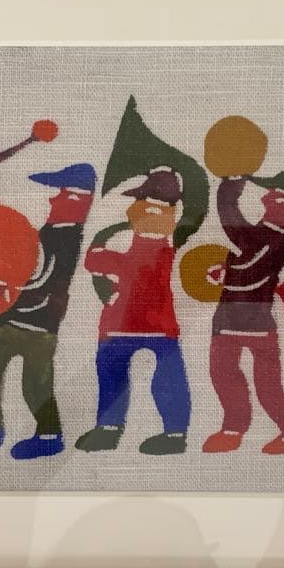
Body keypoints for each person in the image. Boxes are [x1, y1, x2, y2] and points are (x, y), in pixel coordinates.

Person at [0, 162, 97, 460]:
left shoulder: (64, 236)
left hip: (37, 326)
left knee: (34, 383)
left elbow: (40, 276)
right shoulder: (54, 232)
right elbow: (13, 246)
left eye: (60, 193)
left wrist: (6, 287)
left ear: (75, 199)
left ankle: (48, 435)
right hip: (19, 320)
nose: (52, 198)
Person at [76, 168, 193, 456]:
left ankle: (112, 429)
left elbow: (96, 261)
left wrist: (103, 240)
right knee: (159, 373)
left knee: (119, 372)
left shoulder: (155, 246)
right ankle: (173, 432)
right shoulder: (169, 245)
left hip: (126, 323)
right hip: (154, 324)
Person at [201, 171, 284, 455]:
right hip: (231, 321)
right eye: (271, 194)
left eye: (279, 199)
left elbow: (245, 253)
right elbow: (246, 259)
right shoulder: (266, 234)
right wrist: (227, 270)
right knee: (223, 374)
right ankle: (234, 427)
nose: (267, 198)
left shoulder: (275, 237)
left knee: (266, 385)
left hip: (254, 323)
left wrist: (229, 189)